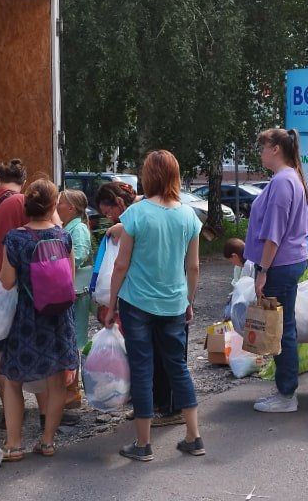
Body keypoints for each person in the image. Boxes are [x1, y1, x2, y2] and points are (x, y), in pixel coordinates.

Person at [103, 150, 204, 461]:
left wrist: (111, 305)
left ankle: (144, 444)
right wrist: (189, 300)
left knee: (143, 369)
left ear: (148, 176)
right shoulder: (188, 216)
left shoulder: (137, 214)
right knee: (178, 368)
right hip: (174, 303)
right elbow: (194, 266)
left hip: (137, 304)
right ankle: (194, 436)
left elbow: (121, 265)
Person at [0, 178, 79, 461]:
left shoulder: (15, 239)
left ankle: (14, 445)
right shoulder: (64, 236)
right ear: (54, 205)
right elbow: (69, 275)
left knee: (13, 380)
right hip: (58, 319)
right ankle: (47, 442)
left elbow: (7, 283)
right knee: (57, 383)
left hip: (28, 319)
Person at [95, 182, 185, 427]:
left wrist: (111, 303)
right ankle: (159, 410)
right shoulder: (164, 207)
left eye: (108, 211)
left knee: (154, 358)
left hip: (148, 294)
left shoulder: (138, 211)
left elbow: (124, 261)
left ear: (118, 202)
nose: (108, 217)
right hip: (167, 292)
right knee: (160, 356)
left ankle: (163, 411)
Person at [0, 159, 48, 428]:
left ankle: (9, 413)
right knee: (33, 349)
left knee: (1, 351)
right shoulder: (21, 202)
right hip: (16, 285)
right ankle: (43, 415)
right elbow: (48, 229)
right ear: (24, 181)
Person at [245, 128, 308, 413]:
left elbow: (274, 234)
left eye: (263, 146)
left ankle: (286, 394)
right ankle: (286, 391)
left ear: (275, 149)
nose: (260, 152)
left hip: (279, 264)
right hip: (289, 261)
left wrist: (263, 271)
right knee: (287, 328)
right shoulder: (291, 177)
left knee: (282, 330)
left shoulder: (283, 181)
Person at [56, 189, 92, 408]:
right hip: (71, 290)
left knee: (75, 339)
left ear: (70, 208)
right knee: (70, 339)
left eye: (60, 202)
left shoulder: (77, 229)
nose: (57, 206)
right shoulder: (72, 227)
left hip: (76, 292)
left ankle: (72, 391)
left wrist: (53, 261)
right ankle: (69, 388)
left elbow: (77, 257)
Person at [223, 238, 255, 320]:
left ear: (235, 256)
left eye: (231, 260)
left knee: (230, 313)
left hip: (250, 298)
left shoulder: (250, 265)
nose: (232, 263)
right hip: (242, 295)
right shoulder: (238, 266)